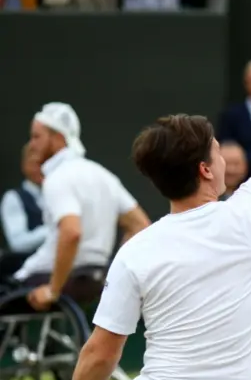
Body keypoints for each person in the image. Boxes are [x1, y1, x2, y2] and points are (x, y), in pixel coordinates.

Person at [70, 35, 251, 380]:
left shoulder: (135, 251)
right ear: (205, 170)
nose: (224, 157)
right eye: (217, 151)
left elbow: (100, 355)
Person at [12, 102, 150, 310]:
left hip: (49, 278)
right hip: (94, 279)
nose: (31, 145)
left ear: (58, 138)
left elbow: (71, 232)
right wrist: (113, 275)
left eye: (37, 137)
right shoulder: (103, 175)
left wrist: (53, 290)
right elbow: (141, 225)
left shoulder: (57, 178)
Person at [0, 144, 47, 279]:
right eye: (37, 163)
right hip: (28, 272)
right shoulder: (14, 198)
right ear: (25, 165)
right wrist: (55, 229)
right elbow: (18, 243)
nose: (42, 169)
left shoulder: (59, 195)